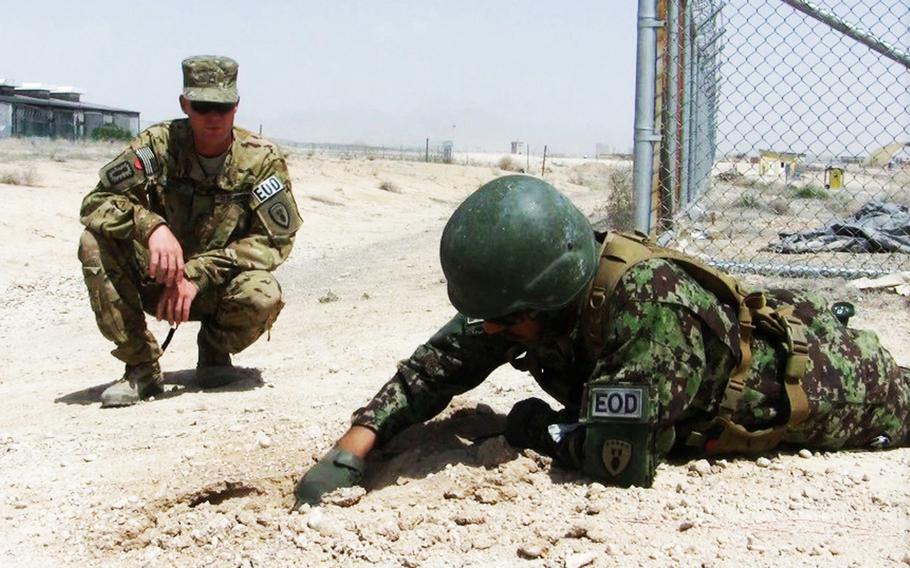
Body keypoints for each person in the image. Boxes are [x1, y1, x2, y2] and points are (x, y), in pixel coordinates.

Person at [292, 175, 909, 505]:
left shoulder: (648, 313)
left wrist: (531, 426)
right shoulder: (541, 286)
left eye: (506, 324)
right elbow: (442, 362)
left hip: (831, 388)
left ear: (543, 304)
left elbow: (619, 458)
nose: (494, 335)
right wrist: (352, 449)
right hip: (751, 335)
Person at [78, 55, 302, 408]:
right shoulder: (157, 145)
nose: (213, 117)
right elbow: (96, 203)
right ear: (185, 104)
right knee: (93, 242)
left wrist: (196, 275)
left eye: (223, 107)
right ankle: (141, 366)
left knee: (263, 293)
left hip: (215, 287)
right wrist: (152, 228)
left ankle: (214, 350)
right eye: (202, 106)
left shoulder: (260, 158)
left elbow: (275, 239)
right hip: (156, 279)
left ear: (236, 106)